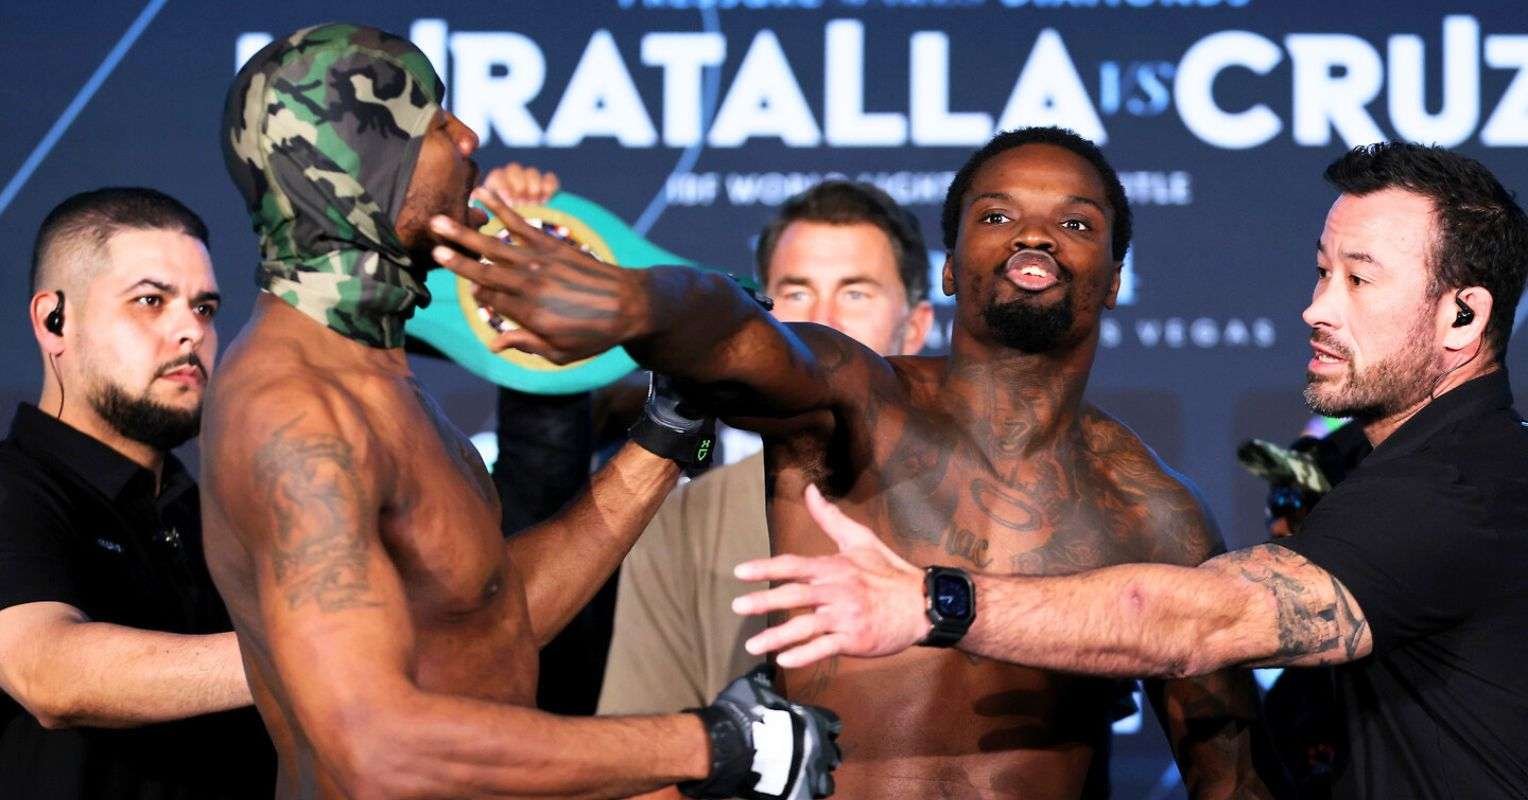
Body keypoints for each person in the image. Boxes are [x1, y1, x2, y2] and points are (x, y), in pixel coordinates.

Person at [432, 127, 1274, 798]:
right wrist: (632, 300)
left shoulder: (1155, 514)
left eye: (1077, 223)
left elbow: (1230, 774)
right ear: (950, 269)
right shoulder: (861, 406)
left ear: (1116, 278)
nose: (1034, 235)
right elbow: (738, 330)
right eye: (995, 216)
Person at [728, 143, 1528, 799]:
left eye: (1358, 279)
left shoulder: (1463, 486)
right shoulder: (1380, 472)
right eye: (1322, 272)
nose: (1316, 308)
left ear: (1463, 315)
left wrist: (932, 601)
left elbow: (1203, 620)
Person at [203, 24, 839, 800]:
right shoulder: (298, 414)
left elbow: (489, 625)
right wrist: (714, 745)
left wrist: (665, 435)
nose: (468, 136)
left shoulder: (370, 377)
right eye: (435, 122)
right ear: (360, 170)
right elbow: (376, 748)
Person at [598, 181, 935, 720]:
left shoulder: (990, 502)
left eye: (855, 294)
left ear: (915, 327)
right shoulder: (683, 520)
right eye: (797, 294)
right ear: (762, 322)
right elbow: (641, 741)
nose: (824, 322)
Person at [0, 188, 274, 798]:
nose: (191, 330)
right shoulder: (13, 488)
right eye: (151, 301)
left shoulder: (213, 514)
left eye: (204, 308)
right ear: (54, 320)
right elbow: (46, 671)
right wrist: (311, 656)